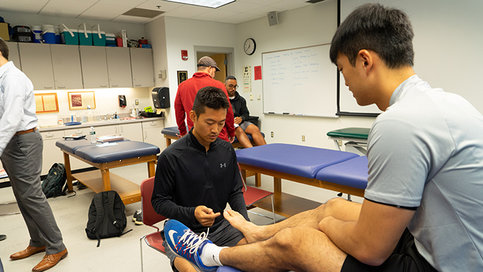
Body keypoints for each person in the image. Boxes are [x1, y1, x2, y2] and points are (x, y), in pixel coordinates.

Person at [163, 3, 483, 272]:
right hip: (435, 241)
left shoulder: (399, 122)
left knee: (297, 240)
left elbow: (372, 250)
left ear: (365, 60)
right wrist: (328, 219)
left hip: (441, 264)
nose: (344, 81)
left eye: (342, 69)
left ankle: (211, 254)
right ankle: (256, 232)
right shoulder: (447, 102)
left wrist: (322, 227)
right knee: (331, 206)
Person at [152, 86, 249, 272]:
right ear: (193, 116)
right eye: (209, 122)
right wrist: (192, 213)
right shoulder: (171, 156)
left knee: (255, 257)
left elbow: (235, 191)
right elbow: (159, 202)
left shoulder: (226, 150)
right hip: (182, 232)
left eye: (221, 123)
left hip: (222, 227)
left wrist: (245, 224)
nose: (215, 130)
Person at [0, 38, 68, 272]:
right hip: (11, 143)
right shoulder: (2, 79)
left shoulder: (13, 78)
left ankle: (56, 246)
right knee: (22, 196)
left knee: (32, 196)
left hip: (23, 141)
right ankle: (38, 241)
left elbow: (11, 118)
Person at [174, 56, 235, 142]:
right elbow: (228, 112)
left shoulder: (182, 86)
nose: (214, 75)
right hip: (218, 137)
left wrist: (183, 132)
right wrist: (231, 132)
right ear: (210, 68)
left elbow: (178, 113)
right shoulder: (218, 85)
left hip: (195, 137)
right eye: (214, 71)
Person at [225, 76, 266, 148]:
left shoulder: (241, 99)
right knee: (238, 130)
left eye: (235, 86)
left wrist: (241, 118)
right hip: (228, 123)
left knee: (255, 129)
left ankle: (266, 153)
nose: (233, 89)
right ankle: (252, 153)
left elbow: (246, 114)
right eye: (230, 86)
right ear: (225, 85)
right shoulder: (221, 99)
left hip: (240, 122)